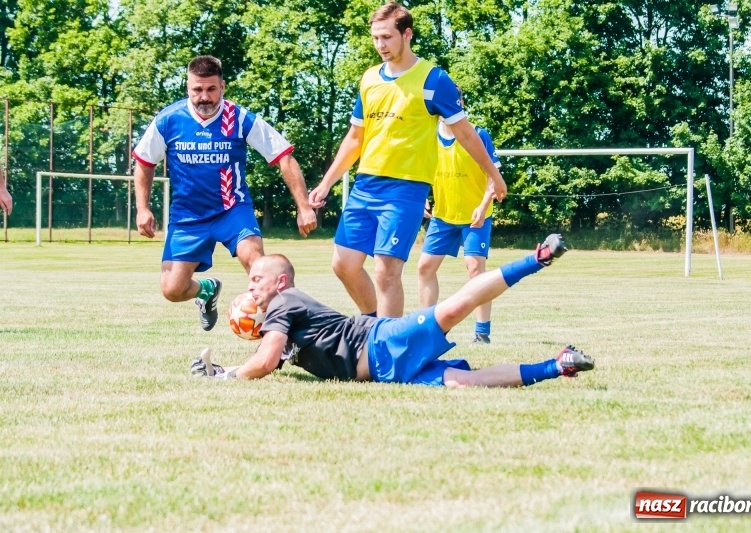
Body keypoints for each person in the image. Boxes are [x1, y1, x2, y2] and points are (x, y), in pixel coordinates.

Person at [308, 1, 507, 318]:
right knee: (343, 264)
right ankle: (375, 325)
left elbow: (467, 135)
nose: (379, 45)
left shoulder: (433, 80)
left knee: (387, 271)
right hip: (365, 185)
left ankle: (388, 352)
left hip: (406, 189)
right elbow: (355, 138)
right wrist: (326, 182)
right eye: (375, 38)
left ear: (407, 34)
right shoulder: (369, 79)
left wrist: (494, 177)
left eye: (386, 37)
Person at [191, 234, 596, 388]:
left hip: (380, 343)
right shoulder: (280, 316)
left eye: (257, 280)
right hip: (384, 371)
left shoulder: (284, 301)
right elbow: (271, 357)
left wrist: (225, 376)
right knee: (463, 383)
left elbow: (263, 362)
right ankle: (558, 365)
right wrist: (224, 365)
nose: (250, 286)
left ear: (280, 282)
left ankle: (537, 258)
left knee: (453, 307)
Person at [133, 55, 317, 332]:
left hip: (233, 209)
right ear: (187, 87)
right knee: (172, 290)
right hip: (188, 217)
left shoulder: (241, 118)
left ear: (223, 86)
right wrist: (143, 208)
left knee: (260, 266)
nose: (204, 97)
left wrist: (303, 206)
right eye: (197, 89)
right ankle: (207, 290)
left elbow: (283, 156)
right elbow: (145, 162)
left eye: (211, 89)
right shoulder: (169, 120)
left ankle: (285, 338)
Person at [418, 88, 501, 344]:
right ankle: (427, 329)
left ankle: (482, 333)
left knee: (475, 269)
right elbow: (419, 171)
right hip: (443, 216)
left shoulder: (477, 134)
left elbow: (493, 177)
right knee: (424, 268)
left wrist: (483, 203)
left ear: (459, 103)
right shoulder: (428, 137)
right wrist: (421, 197)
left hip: (476, 214)